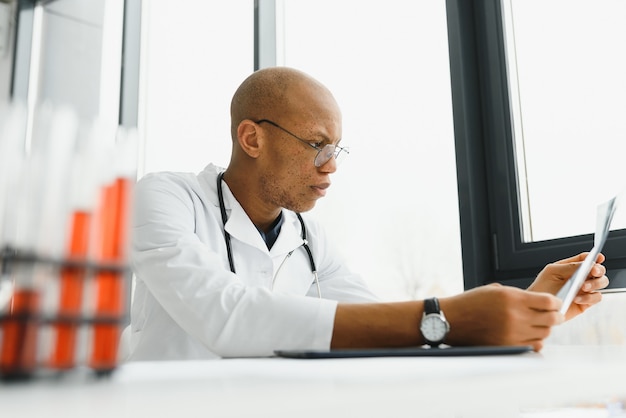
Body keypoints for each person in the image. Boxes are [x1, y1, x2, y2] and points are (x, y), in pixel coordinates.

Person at [127, 66, 608, 361]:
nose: (332, 166)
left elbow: (383, 326)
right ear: (252, 138)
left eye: (337, 149)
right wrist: (448, 317)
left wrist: (527, 308)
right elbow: (225, 317)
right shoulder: (167, 198)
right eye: (316, 146)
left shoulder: (310, 239)